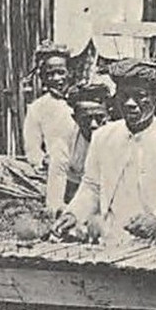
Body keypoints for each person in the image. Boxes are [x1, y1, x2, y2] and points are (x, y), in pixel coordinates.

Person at [51, 58, 156, 247]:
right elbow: (92, 187)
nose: (130, 103)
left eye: (140, 95)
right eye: (124, 95)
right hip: (114, 244)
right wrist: (74, 214)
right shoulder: (103, 138)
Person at [0, 43, 76, 201]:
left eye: (61, 73)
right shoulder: (37, 108)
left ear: (70, 73)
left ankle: (58, 192)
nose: (56, 79)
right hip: (52, 170)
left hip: (82, 167)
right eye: (50, 74)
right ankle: (57, 191)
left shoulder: (81, 101)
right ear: (42, 77)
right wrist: (43, 160)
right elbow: (32, 149)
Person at [44, 82, 111, 215]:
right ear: (75, 119)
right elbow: (57, 178)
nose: (93, 125)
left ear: (108, 115)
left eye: (99, 117)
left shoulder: (119, 137)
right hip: (74, 189)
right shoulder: (65, 139)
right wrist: (57, 207)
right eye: (86, 118)